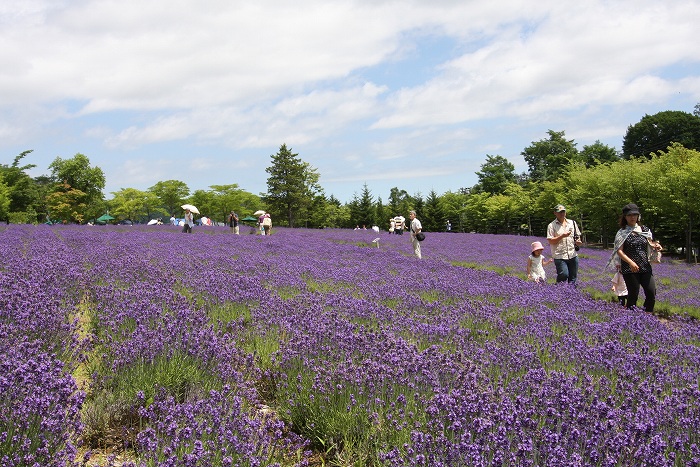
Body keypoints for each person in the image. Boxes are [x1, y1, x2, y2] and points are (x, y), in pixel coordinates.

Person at [609, 203, 662, 313]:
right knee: (633, 294)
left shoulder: (645, 229)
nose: (632, 217)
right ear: (625, 217)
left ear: (638, 216)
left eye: (635, 215)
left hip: (645, 266)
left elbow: (651, 244)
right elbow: (619, 251)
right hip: (629, 267)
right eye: (629, 215)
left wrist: (656, 246)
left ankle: (647, 315)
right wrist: (631, 263)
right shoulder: (622, 232)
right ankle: (629, 318)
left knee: (651, 292)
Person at [546, 204, 582, 285]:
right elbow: (551, 241)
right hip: (560, 255)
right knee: (563, 275)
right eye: (559, 212)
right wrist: (562, 236)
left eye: (563, 211)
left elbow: (577, 236)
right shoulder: (551, 225)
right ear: (555, 213)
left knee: (573, 278)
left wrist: (578, 242)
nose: (562, 213)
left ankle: (571, 294)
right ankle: (557, 290)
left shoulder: (572, 223)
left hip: (573, 254)